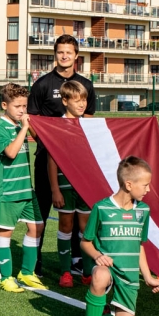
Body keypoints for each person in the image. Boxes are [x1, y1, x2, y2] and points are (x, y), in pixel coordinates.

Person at [69, 156, 159, 316]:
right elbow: (85, 242)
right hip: (108, 269)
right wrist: (98, 256)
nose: (148, 189)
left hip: (129, 275)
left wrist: (147, 277)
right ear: (129, 184)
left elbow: (139, 245)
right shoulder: (102, 208)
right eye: (146, 185)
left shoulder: (143, 211)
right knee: (100, 275)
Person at [27, 34, 96, 277]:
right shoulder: (42, 84)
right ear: (55, 54)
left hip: (76, 163)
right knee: (43, 210)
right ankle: (34, 262)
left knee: (78, 214)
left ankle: (77, 261)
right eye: (60, 52)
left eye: (69, 52)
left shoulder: (85, 85)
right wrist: (51, 143)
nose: (64, 56)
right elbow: (31, 120)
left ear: (76, 55)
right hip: (47, 157)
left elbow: (89, 121)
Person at [0, 83, 46, 293]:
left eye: (25, 106)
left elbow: (39, 138)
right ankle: (6, 277)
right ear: (5, 105)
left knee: (37, 227)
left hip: (25, 189)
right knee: (6, 231)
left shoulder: (19, 124)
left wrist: (27, 126)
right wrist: (24, 128)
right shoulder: (1, 126)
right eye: (17, 106)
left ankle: (26, 272)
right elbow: (11, 153)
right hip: (7, 190)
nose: (22, 110)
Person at [47, 80, 94, 288]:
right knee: (66, 225)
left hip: (86, 186)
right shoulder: (58, 126)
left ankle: (87, 271)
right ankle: (65, 272)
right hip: (65, 185)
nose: (81, 104)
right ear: (65, 101)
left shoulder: (91, 125)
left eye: (83, 100)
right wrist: (55, 189)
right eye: (77, 100)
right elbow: (52, 159)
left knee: (87, 228)